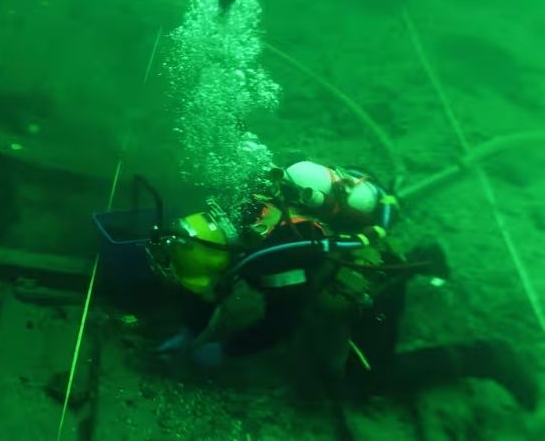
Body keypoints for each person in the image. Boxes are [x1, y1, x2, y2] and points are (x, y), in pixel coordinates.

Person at [151, 161, 539, 411]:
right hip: (328, 251)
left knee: (368, 381)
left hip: (371, 277)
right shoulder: (236, 212)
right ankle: (421, 258)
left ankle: (489, 356)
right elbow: (213, 287)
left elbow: (280, 325)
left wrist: (227, 349)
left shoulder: (276, 258)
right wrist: (192, 327)